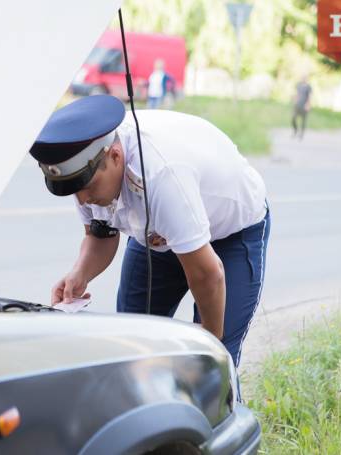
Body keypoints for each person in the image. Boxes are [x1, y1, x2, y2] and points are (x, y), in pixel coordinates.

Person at [28, 95, 270, 367]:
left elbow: (206, 273)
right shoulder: (86, 172)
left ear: (116, 156)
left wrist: (210, 335)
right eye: (75, 191)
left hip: (230, 236)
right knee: (133, 346)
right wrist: (79, 274)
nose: (83, 200)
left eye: (88, 188)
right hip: (157, 237)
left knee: (212, 360)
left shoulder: (161, 174)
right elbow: (99, 234)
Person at [292, 74, 312, 139]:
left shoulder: (308, 87)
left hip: (304, 105)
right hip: (297, 105)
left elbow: (309, 96)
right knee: (293, 118)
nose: (303, 79)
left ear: (307, 79)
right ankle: (295, 130)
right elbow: (296, 93)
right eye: (302, 78)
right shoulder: (298, 85)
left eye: (305, 78)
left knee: (303, 121)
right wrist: (294, 99)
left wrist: (308, 105)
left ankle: (301, 134)